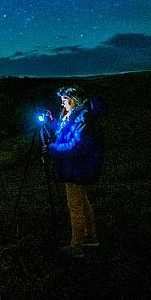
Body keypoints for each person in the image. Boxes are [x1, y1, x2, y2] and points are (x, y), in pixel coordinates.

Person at [44, 86, 104, 258]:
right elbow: (65, 134)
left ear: (74, 99)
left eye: (65, 98)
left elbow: (76, 145)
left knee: (74, 206)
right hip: (77, 167)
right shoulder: (74, 116)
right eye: (62, 98)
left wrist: (53, 149)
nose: (62, 101)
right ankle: (91, 237)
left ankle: (76, 245)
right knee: (82, 202)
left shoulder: (82, 118)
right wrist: (51, 121)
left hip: (76, 168)